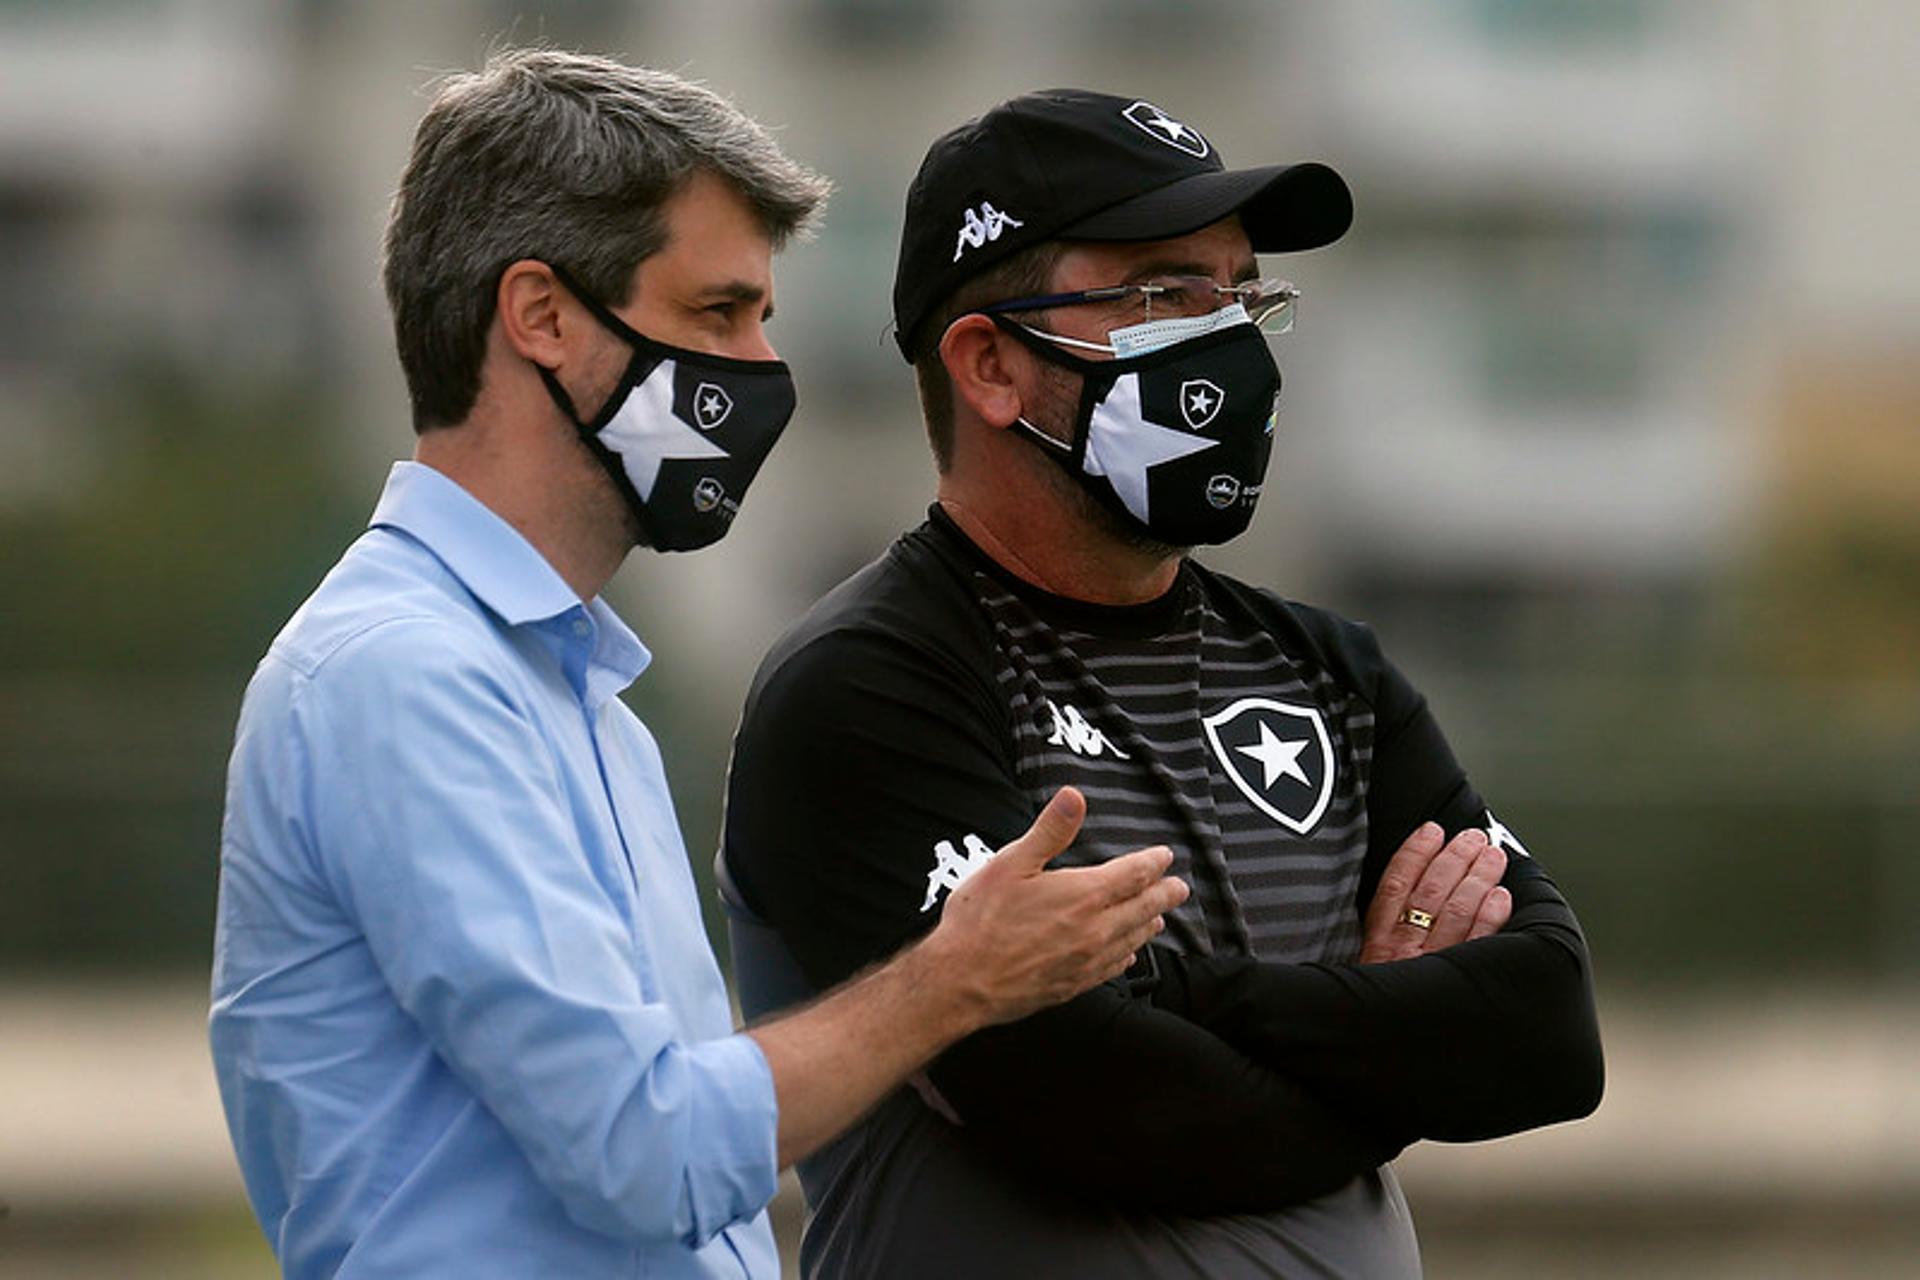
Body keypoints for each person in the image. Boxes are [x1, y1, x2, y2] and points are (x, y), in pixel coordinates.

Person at [208, 55, 1188, 1280]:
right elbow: (643, 1148)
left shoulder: (571, 693)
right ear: (543, 315)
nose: (762, 366)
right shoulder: (402, 675)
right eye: (717, 313)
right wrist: (955, 978)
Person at [720, 88, 1605, 1278]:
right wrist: (1385, 1032)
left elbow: (1548, 1028)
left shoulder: (1331, 668)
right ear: (989, 364)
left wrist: (1202, 998)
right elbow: (1099, 1104)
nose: (1230, 339)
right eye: (1166, 297)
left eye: (1242, 295)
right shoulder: (875, 682)